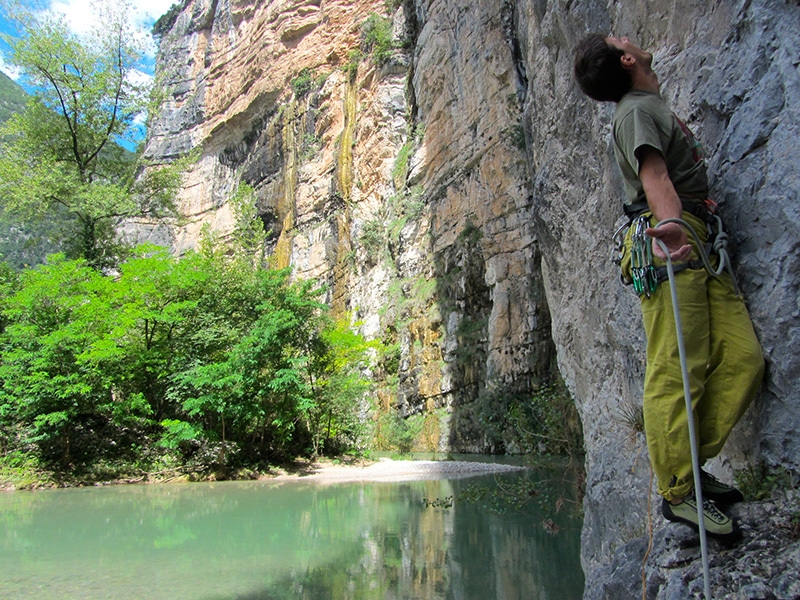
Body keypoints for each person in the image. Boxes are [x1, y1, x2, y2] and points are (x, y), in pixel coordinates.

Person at [573, 34, 764, 541]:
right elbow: (654, 174)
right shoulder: (635, 112)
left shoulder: (646, 105)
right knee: (677, 365)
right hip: (668, 241)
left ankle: (688, 466)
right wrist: (673, 223)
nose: (629, 36)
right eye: (621, 39)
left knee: (744, 359)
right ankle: (679, 493)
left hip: (695, 237)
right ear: (628, 59)